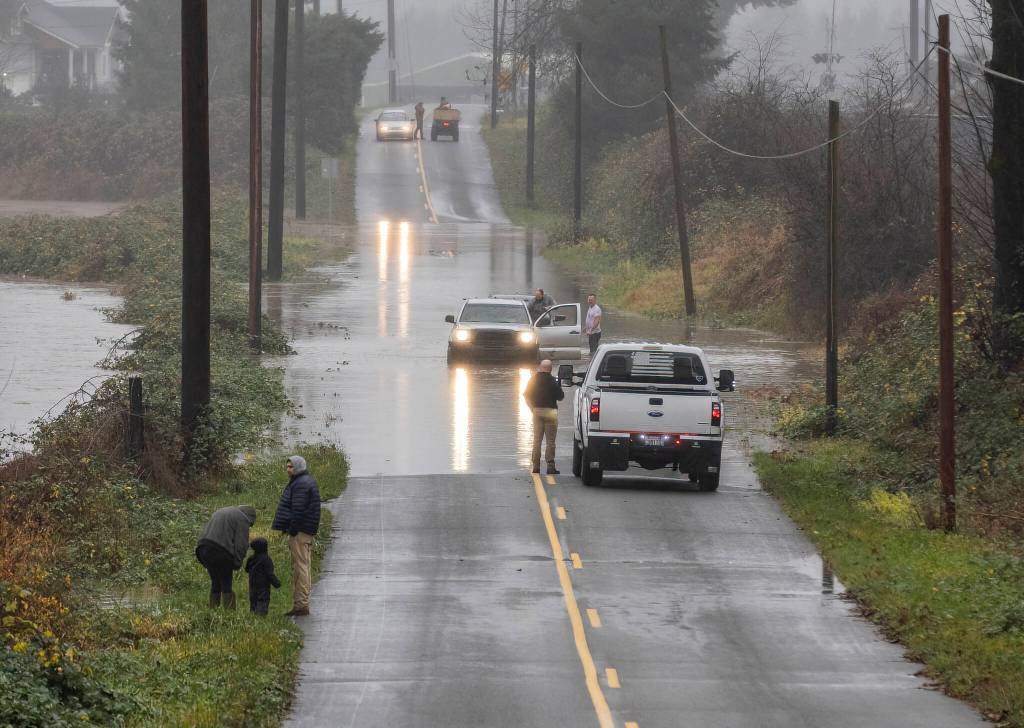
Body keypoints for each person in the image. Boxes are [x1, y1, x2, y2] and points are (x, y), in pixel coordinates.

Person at [272, 455, 321, 617]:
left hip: (300, 532)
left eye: (291, 467)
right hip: (305, 530)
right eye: (287, 466)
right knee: (303, 565)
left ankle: (301, 605)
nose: (288, 469)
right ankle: (301, 602)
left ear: (298, 467)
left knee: (300, 567)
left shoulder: (300, 484)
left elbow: (298, 510)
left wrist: (292, 529)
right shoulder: (304, 481)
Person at [195, 505, 257, 609]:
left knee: (216, 582)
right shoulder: (243, 518)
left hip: (202, 548)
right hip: (219, 550)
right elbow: (241, 544)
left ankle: (213, 611)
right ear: (250, 518)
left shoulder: (223, 510)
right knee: (226, 585)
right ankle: (229, 615)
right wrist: (237, 563)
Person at [524, 359, 564, 475]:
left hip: (537, 411)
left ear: (540, 368)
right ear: (550, 369)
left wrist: (532, 409)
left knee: (537, 440)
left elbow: (526, 396)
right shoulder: (553, 381)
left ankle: (536, 466)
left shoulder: (533, 379)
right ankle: (550, 466)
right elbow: (561, 397)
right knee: (550, 441)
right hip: (551, 412)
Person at [245, 537, 281, 616]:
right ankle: (260, 616)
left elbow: (246, 569)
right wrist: (276, 583)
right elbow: (269, 574)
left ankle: (252, 614)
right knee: (262, 600)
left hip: (252, 583)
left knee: (253, 599)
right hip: (263, 585)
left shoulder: (251, 558)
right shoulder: (266, 559)